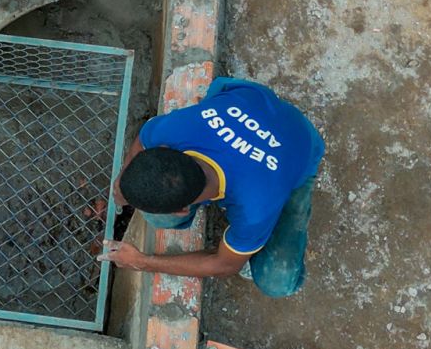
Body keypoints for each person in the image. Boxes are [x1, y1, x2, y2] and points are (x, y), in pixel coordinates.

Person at [102, 77, 324, 297]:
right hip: (249, 100)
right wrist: (120, 186)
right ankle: (241, 245)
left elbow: (224, 266)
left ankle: (248, 247)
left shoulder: (254, 208)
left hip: (300, 148)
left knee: (276, 283)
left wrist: (142, 262)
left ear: (182, 209)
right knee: (159, 217)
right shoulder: (171, 131)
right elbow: (141, 142)